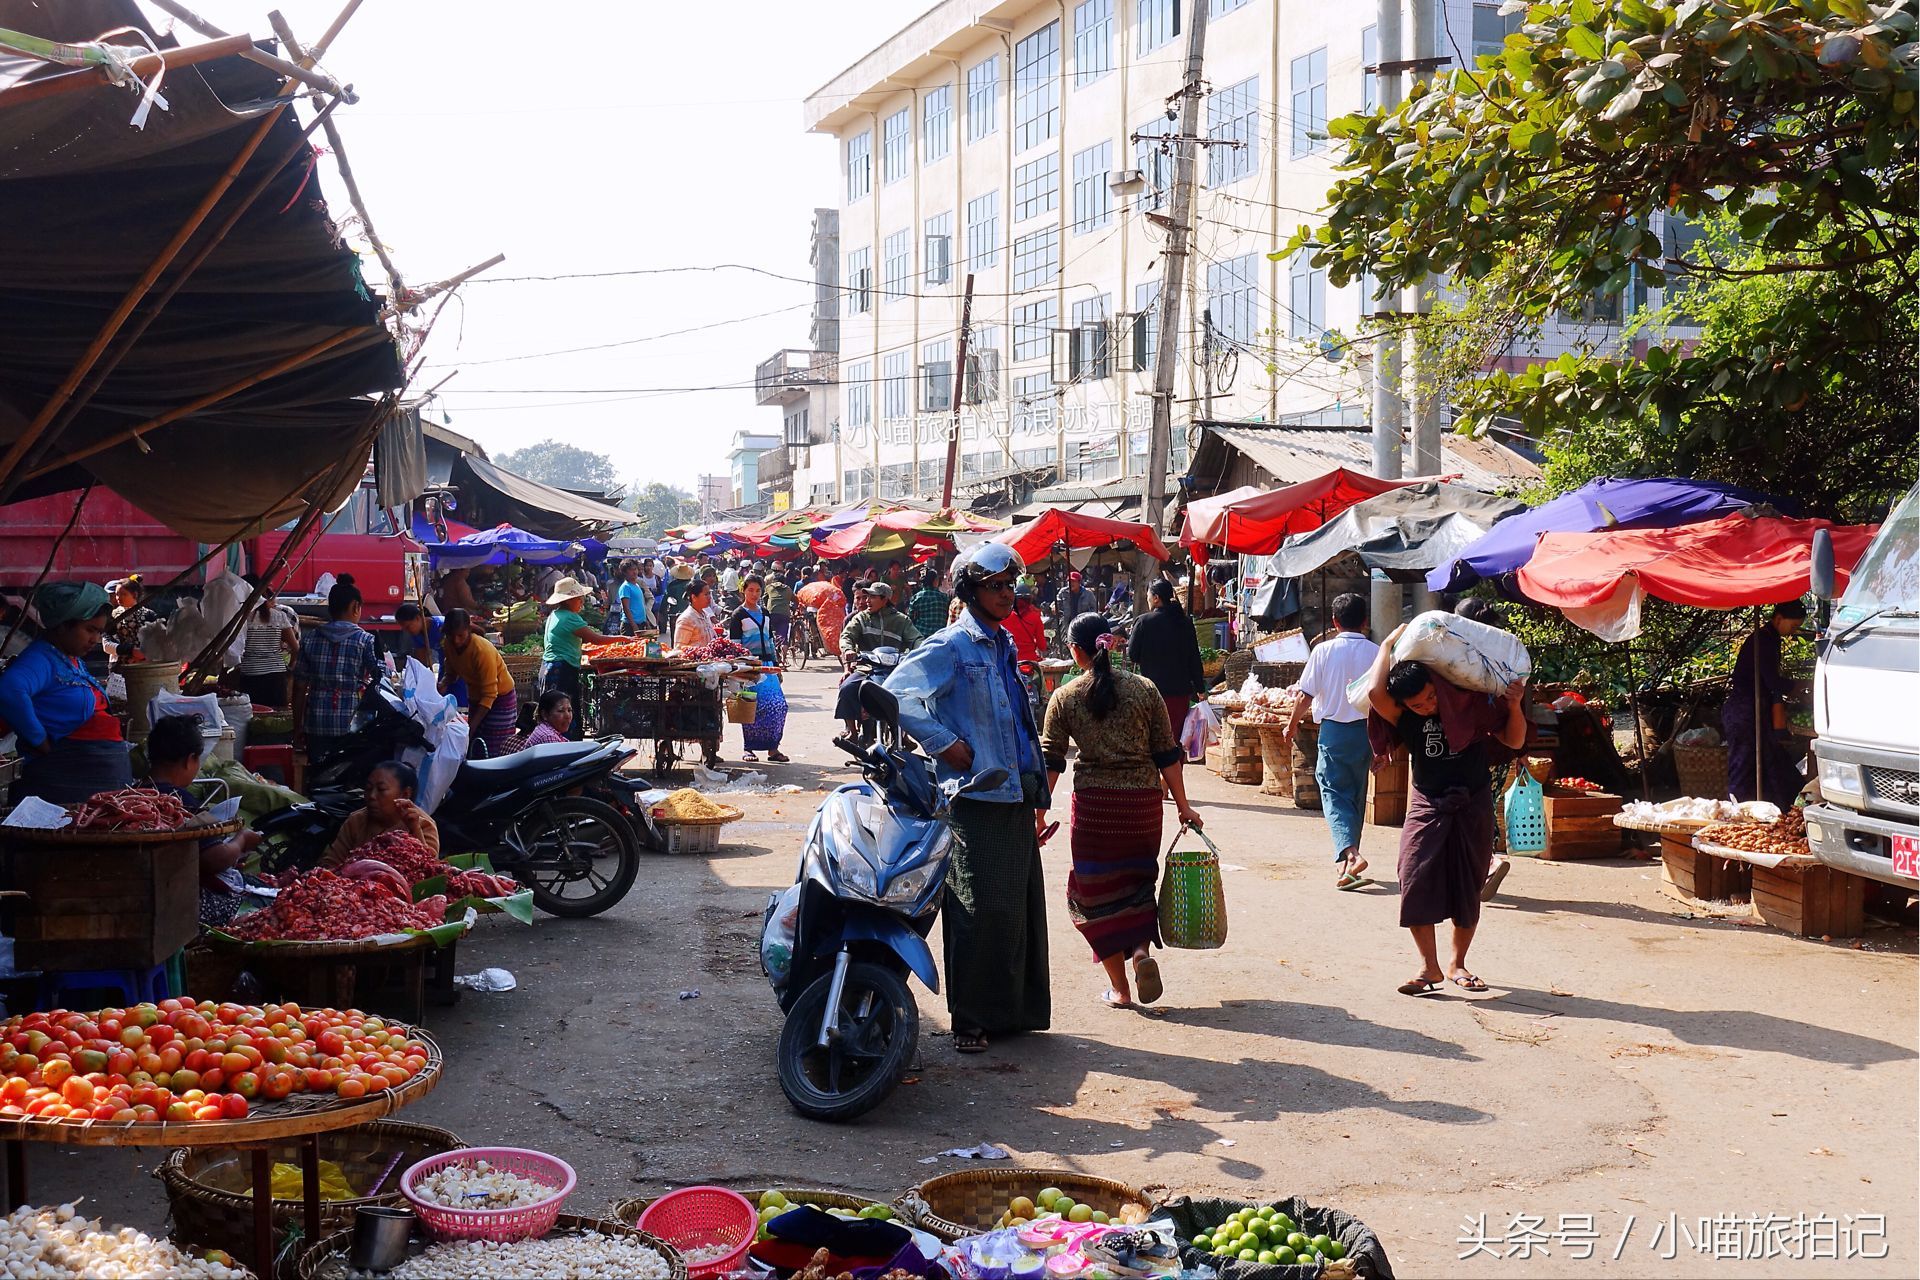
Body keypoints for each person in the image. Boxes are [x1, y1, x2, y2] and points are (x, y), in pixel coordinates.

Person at [886, 542, 1051, 1054]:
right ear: (969, 591)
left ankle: (1014, 1012)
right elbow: (898, 695)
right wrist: (944, 743)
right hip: (975, 798)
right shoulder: (951, 645)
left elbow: (1018, 724)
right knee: (977, 909)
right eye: (995, 587)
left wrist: (1036, 786)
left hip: (1015, 793)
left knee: (1018, 908)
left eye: (1009, 587)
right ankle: (972, 1020)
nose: (1006, 595)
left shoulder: (1003, 643)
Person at [1043, 613, 1201, 1010]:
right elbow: (1168, 753)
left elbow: (1051, 759)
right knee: (1138, 884)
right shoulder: (1145, 690)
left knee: (1092, 896)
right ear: (1111, 644)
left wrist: (1039, 813)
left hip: (1096, 809)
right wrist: (1184, 807)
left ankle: (1120, 988)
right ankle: (1141, 953)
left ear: (1077, 651)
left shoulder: (1065, 697)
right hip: (1141, 807)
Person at [1367, 630, 1528, 996]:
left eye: (1430, 698)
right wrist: (1387, 647)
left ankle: (1458, 963)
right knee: (1413, 875)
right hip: (1427, 802)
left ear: (1438, 685)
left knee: (1468, 885)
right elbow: (1376, 695)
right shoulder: (1406, 719)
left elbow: (1515, 741)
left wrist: (1515, 706)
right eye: (1418, 705)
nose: (1427, 707)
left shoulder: (1469, 705)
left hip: (1473, 802)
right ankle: (1430, 967)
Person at [0, 581, 133, 802]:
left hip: (95, 775)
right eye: (90, 630)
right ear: (62, 626)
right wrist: (38, 739)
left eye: (99, 632)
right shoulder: (40, 658)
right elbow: (9, 689)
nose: (95, 640)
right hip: (67, 778)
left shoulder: (70, 659)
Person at [1285, 593, 1381, 889]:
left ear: (1335, 622)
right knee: (1354, 795)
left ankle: (1351, 854)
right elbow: (1385, 702)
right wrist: (1384, 744)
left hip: (1334, 732)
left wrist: (1290, 725)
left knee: (1333, 792)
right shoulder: (1378, 652)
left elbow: (1305, 696)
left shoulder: (1323, 651)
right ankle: (1348, 867)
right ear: (1365, 622)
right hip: (1367, 732)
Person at [143, 713, 263, 928]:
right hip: (179, 907)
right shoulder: (179, 800)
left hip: (148, 898)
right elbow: (213, 859)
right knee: (263, 903)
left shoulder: (134, 792)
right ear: (190, 760)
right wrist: (241, 842)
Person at [1724, 600, 1808, 809]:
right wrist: (1800, 686)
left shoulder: (1771, 639)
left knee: (1770, 763)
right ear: (1779, 618)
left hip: (1757, 709)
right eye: (1793, 626)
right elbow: (1773, 681)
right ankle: (1737, 812)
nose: (1793, 632)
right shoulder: (1763, 641)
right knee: (1743, 765)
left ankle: (1775, 808)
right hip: (1744, 711)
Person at [292, 581, 379, 765]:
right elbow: (380, 679)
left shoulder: (310, 639)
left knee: (318, 773)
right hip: (351, 723)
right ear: (356, 607)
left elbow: (299, 687)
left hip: (316, 723)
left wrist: (297, 726)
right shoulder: (365, 640)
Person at [1127, 579, 1210, 743]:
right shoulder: (1185, 622)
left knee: (1153, 739)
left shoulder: (1143, 622)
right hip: (1179, 694)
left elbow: (1133, 655)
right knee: (1176, 738)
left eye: (1149, 595)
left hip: (1152, 692)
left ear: (1156, 598)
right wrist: (1200, 688)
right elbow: (1194, 657)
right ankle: (1177, 769)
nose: (1148, 599)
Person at [836, 581, 921, 737]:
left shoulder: (901, 620)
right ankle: (851, 731)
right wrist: (848, 649)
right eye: (867, 596)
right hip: (866, 669)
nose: (867, 600)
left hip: (894, 671)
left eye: (872, 597)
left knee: (912, 695)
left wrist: (920, 651)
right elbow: (847, 636)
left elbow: (916, 639)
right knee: (847, 688)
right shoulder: (860, 618)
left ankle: (904, 734)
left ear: (885, 599)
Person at [321, 760, 441, 867]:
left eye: (381, 789)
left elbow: (430, 872)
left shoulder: (423, 824)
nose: (372, 796)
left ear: (404, 794)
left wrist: (415, 830)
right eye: (368, 788)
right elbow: (332, 864)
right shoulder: (356, 821)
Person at [437, 609, 519, 757]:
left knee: (493, 748)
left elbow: (489, 694)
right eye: (451, 636)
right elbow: (452, 671)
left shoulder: (482, 650)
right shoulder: (448, 644)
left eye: (460, 636)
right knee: (474, 745)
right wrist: (444, 682)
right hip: (476, 697)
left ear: (468, 630)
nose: (456, 641)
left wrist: (472, 726)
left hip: (500, 697)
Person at [725, 575, 790, 763]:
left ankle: (773, 748)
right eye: (750, 590)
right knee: (750, 707)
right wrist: (738, 669)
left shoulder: (765, 612)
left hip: (768, 665)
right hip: (749, 667)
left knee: (778, 706)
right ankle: (749, 749)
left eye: (758, 590)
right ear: (743, 590)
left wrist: (776, 665)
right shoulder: (738, 615)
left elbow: (770, 640)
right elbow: (735, 645)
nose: (754, 594)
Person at [542, 576, 614, 742]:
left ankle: (555, 745)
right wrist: (624, 639)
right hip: (562, 670)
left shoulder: (555, 614)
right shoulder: (570, 618)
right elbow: (596, 639)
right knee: (564, 713)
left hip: (549, 667)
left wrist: (584, 653)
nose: (582, 601)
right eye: (579, 598)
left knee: (553, 712)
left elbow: (564, 643)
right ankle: (567, 749)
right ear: (569, 600)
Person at [235, 588, 300, 708]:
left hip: (250, 673)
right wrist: (290, 667)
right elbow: (296, 648)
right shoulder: (279, 616)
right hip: (276, 676)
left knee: (252, 716)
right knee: (276, 718)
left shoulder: (243, 618)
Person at [106, 576, 157, 665]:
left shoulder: (149, 615)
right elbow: (106, 644)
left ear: (134, 595)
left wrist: (145, 653)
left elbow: (157, 641)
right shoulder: (112, 616)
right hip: (119, 665)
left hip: (144, 665)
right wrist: (131, 651)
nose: (118, 597)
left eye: (123, 594)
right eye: (117, 594)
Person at [503, 689, 574, 753]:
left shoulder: (549, 731)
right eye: (561, 711)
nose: (567, 716)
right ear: (545, 714)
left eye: (569, 710)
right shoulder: (548, 737)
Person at [797, 568, 848, 655]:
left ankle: (815, 647)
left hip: (815, 609)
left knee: (813, 626)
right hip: (828, 607)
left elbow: (797, 599)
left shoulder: (801, 586)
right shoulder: (817, 584)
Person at [1003, 583, 1048, 662]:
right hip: (1030, 662)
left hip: (1009, 661)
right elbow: (1042, 646)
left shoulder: (1003, 616)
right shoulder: (1035, 617)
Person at [393, 603, 443, 672]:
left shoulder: (441, 626)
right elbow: (421, 664)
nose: (407, 631)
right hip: (444, 665)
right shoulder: (417, 635)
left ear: (417, 618)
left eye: (408, 627)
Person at [907, 568, 951, 638]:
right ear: (935, 581)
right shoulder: (944, 598)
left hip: (921, 635)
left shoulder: (916, 597)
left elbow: (910, 617)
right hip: (940, 636)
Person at [616, 559, 655, 634]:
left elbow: (641, 605)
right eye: (631, 570)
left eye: (635, 569)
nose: (634, 572)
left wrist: (646, 622)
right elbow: (626, 608)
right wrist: (634, 626)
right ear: (624, 572)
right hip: (629, 626)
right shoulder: (625, 587)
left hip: (641, 624)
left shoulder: (637, 585)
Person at [764, 568, 794, 651]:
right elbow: (795, 600)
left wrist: (767, 606)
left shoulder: (769, 587)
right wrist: (794, 608)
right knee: (783, 636)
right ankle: (784, 655)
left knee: (769, 632)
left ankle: (773, 648)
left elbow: (764, 598)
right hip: (785, 614)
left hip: (771, 613)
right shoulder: (788, 589)